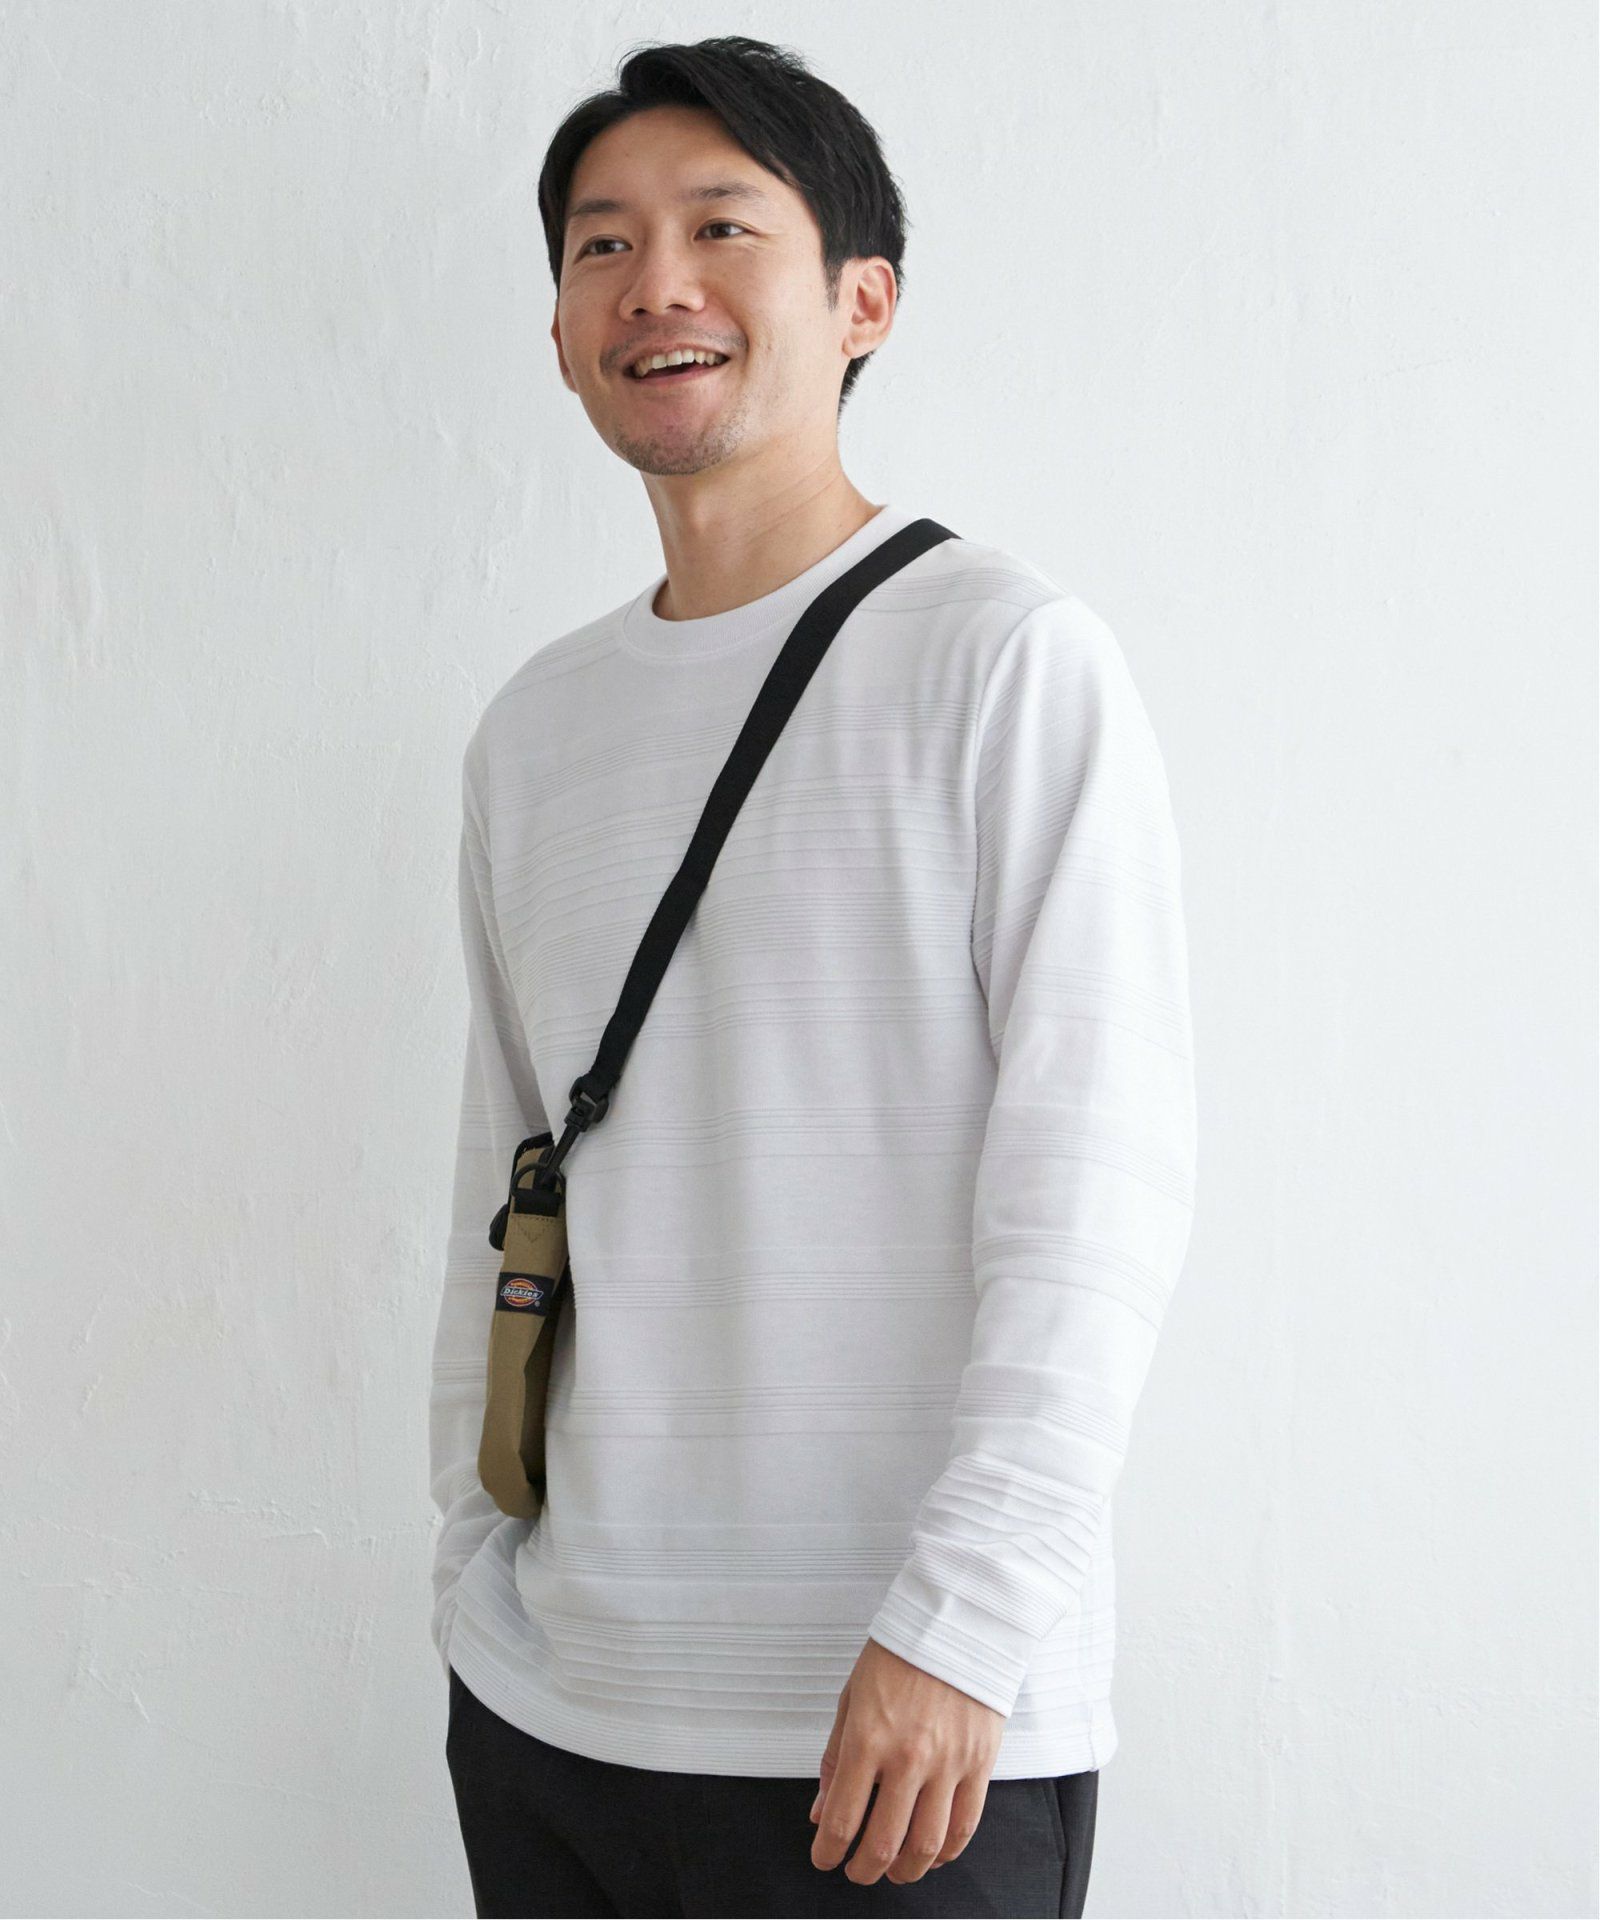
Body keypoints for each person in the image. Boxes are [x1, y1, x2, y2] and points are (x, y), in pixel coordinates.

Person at [429, 33, 1196, 1919]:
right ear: (558, 334)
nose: (656, 284)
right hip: (556, 1707)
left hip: (897, 1734)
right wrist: (470, 1572)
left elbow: (1099, 1184)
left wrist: (966, 1625)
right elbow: (503, 1182)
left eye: (722, 227)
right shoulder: (535, 732)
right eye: (603, 245)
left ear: (864, 302)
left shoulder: (1004, 658)